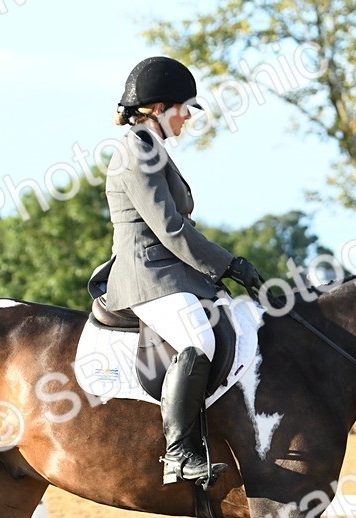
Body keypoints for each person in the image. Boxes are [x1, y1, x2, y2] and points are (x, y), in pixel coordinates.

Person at [101, 55, 261, 486]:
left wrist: (224, 270)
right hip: (147, 274)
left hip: (172, 272)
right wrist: (228, 263)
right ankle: (178, 453)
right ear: (157, 107)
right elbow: (170, 227)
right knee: (198, 339)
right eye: (183, 107)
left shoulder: (152, 147)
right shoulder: (137, 150)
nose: (188, 116)